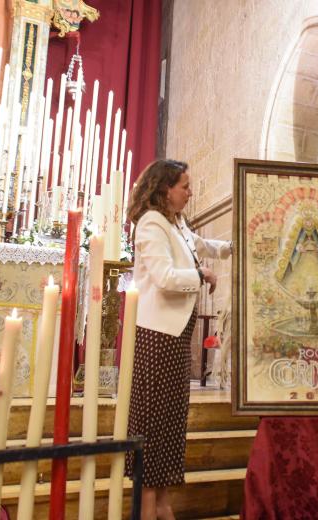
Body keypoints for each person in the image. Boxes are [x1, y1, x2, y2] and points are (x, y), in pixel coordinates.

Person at [125, 159, 232, 520]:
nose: (190, 192)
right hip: (157, 337)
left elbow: (203, 244)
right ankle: (147, 505)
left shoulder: (177, 222)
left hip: (174, 336)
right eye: (184, 185)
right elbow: (165, 276)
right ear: (164, 188)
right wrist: (201, 275)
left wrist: (235, 245)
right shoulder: (151, 223)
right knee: (153, 422)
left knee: (171, 423)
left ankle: (163, 502)